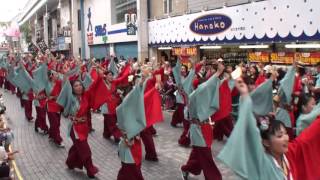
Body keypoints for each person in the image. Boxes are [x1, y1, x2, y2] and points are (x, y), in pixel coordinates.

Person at [218, 77, 320, 179]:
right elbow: (250, 135)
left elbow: (307, 137)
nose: (285, 138)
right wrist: (245, 98)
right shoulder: (262, 164)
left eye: (285, 134)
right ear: (266, 142)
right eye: (279, 136)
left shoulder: (289, 154)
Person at [57, 70, 106, 178]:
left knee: (77, 147)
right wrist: (66, 76)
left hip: (84, 127)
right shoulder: (70, 97)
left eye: (80, 85)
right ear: (72, 89)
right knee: (85, 150)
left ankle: (70, 162)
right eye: (76, 86)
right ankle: (90, 170)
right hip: (74, 128)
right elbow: (65, 88)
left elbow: (93, 87)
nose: (78, 87)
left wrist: (99, 77)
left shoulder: (86, 95)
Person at [181, 62, 224, 180]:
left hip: (204, 128)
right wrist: (218, 73)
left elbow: (213, 86)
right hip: (198, 130)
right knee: (206, 157)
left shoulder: (199, 94)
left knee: (198, 155)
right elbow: (206, 87)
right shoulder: (195, 94)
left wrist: (224, 77)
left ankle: (186, 168)